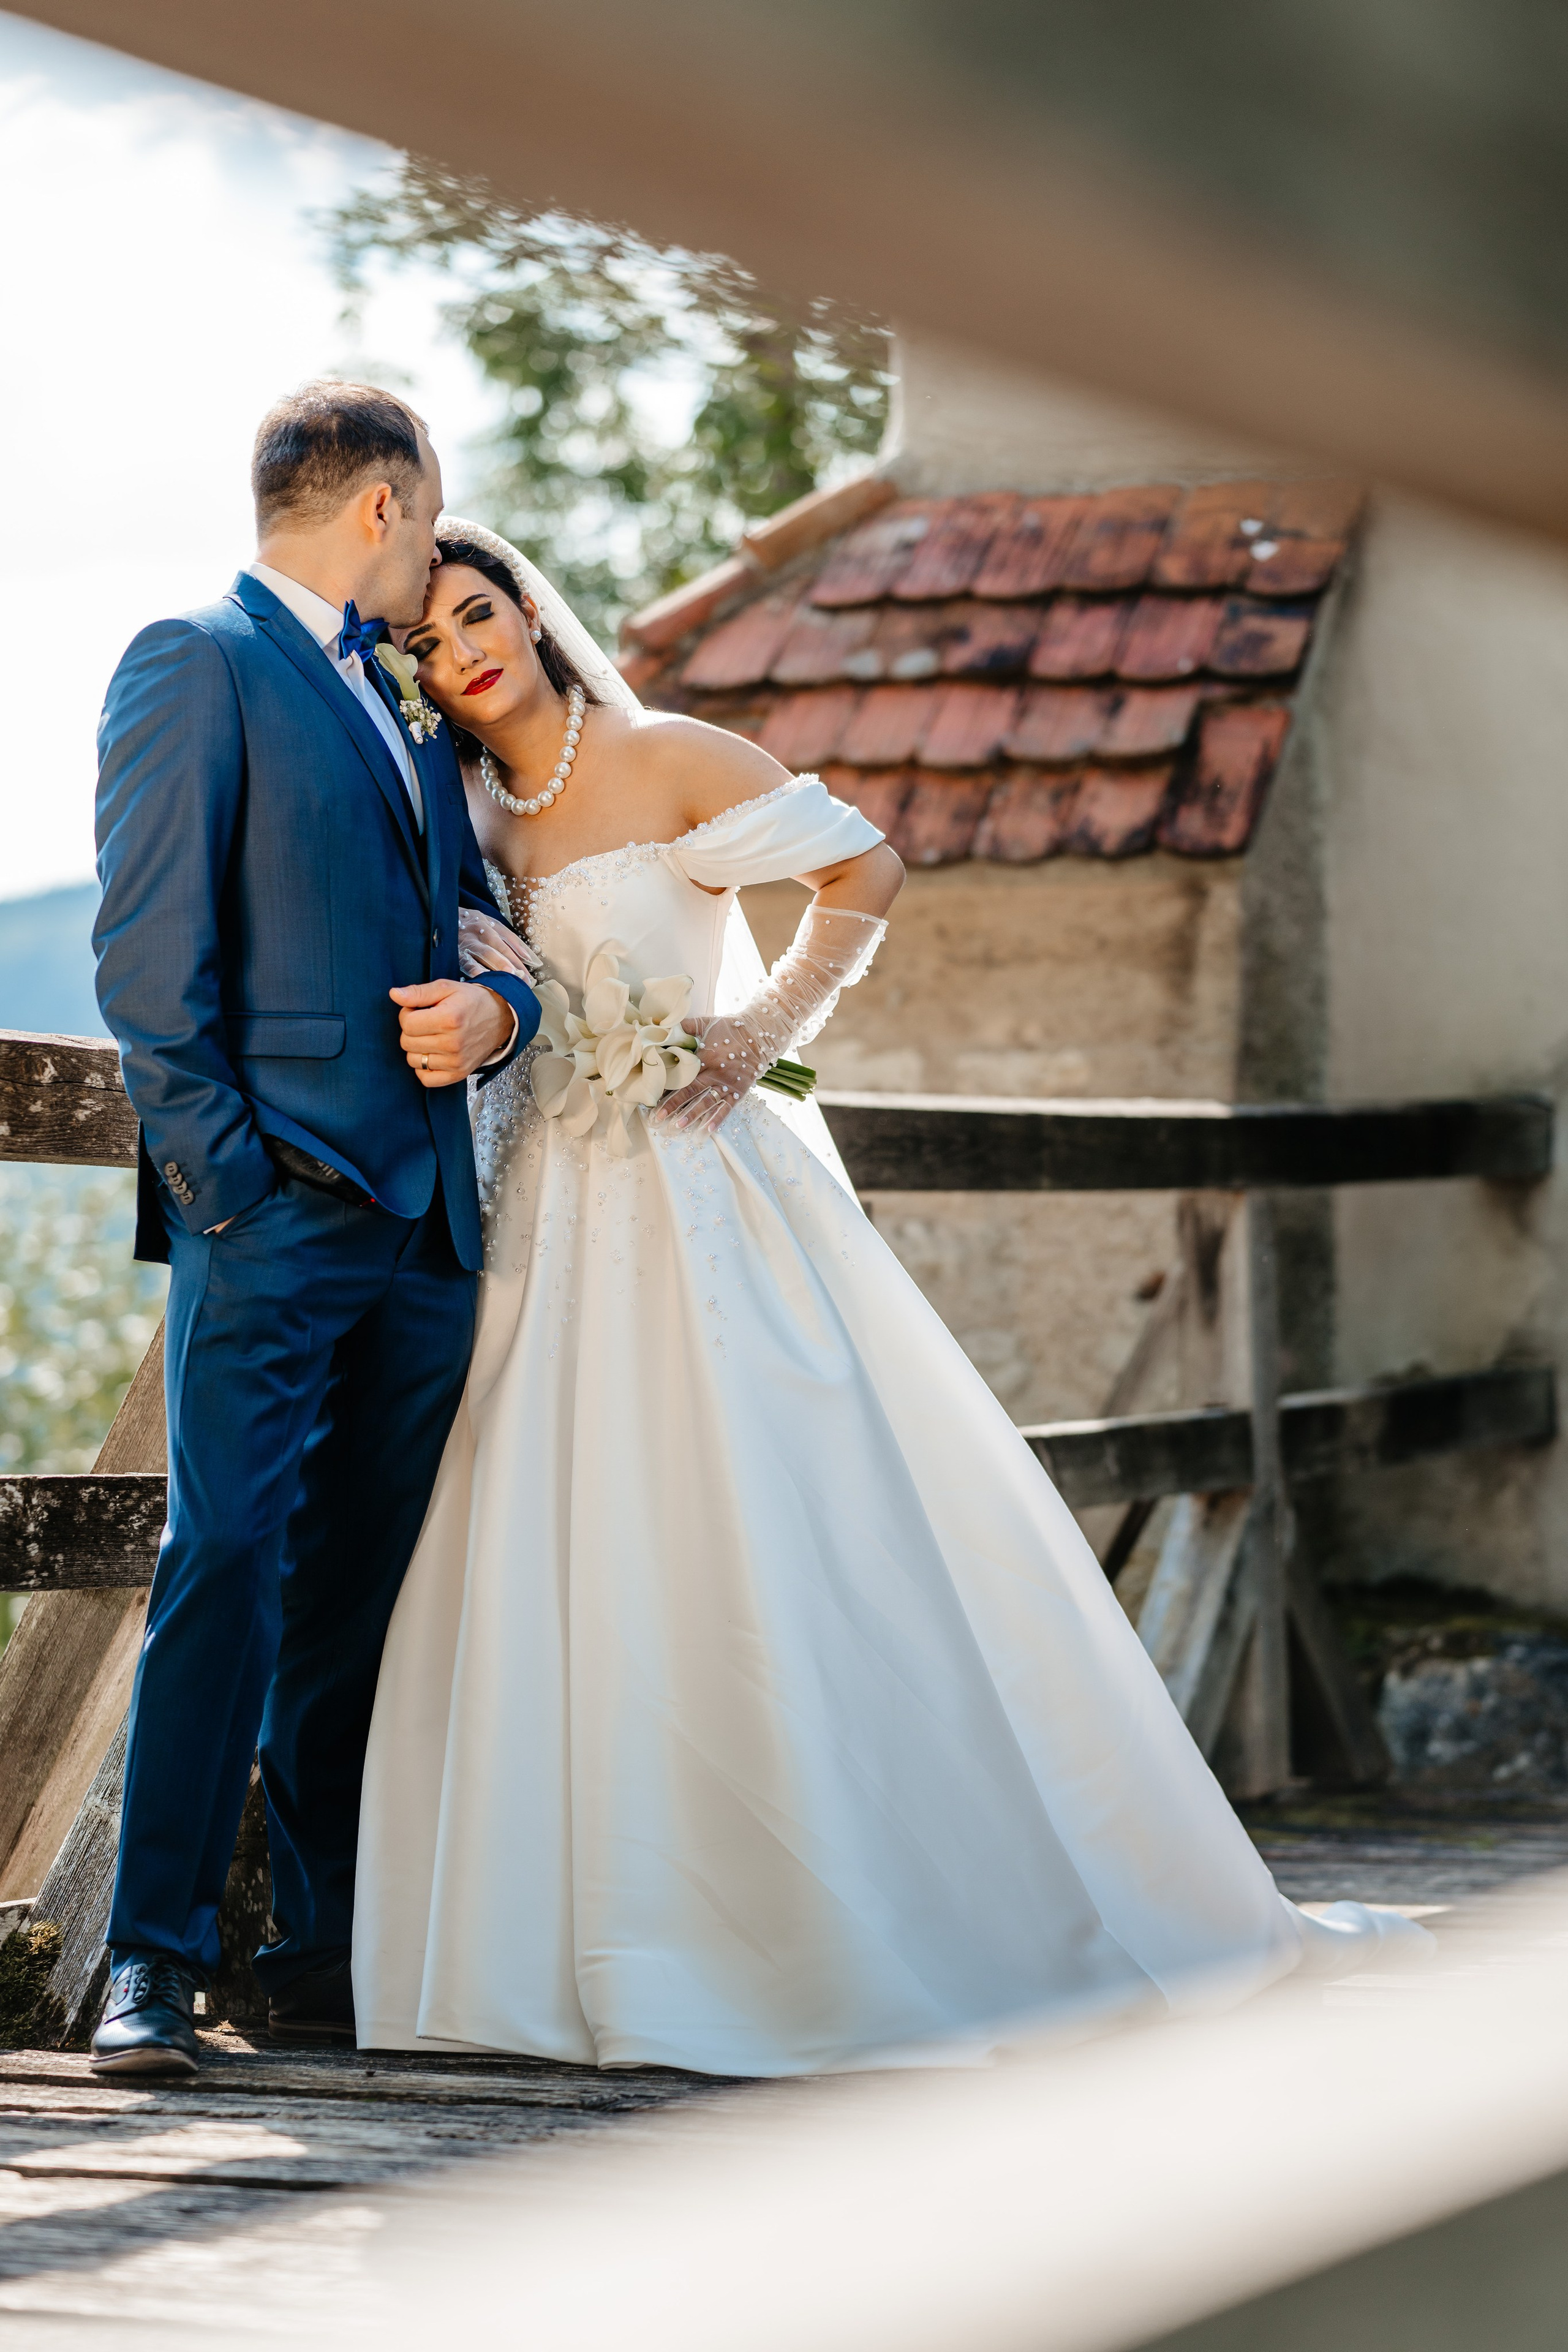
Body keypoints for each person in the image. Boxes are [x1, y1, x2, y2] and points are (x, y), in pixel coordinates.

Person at [352, 523, 1428, 2076]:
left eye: (480, 612)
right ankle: (566, 1943)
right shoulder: (464, 816)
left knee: (780, 1526)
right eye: (435, 643)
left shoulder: (663, 755)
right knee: (562, 1533)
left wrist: (754, 1031)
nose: (466, 649)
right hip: (552, 1213)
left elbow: (866, 865)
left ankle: (855, 1913)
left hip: (702, 1190)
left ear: (524, 609)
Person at [89, 388, 541, 2077]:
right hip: (275, 1221)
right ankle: (151, 1958)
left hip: (429, 1234)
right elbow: (146, 969)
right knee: (219, 1569)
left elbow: (485, 945)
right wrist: (237, 1194)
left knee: (360, 1595)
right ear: (382, 505)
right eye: (427, 526)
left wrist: (510, 1031)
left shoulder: (413, 710)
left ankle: (322, 1953)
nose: (434, 561)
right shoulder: (190, 659)